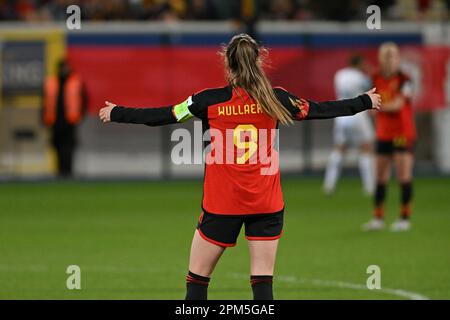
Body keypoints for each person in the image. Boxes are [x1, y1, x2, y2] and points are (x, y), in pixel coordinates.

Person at [99, 34, 381, 300]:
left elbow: (163, 116)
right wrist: (364, 101)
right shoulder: (275, 99)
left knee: (197, 280)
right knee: (262, 284)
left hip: (223, 204)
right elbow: (322, 109)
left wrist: (117, 113)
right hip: (266, 204)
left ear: (227, 63)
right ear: (259, 61)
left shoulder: (206, 101)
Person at [362, 42, 416, 232]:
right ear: (381, 59)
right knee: (380, 176)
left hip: (402, 132)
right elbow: (371, 103)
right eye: (386, 56)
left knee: (403, 175)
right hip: (383, 133)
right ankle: (378, 218)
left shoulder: (405, 79)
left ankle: (404, 217)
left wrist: (377, 107)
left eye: (393, 56)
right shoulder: (375, 78)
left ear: (398, 59)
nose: (390, 59)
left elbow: (398, 105)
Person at [323, 54, 375, 195]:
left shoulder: (339, 75)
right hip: (358, 115)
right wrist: (368, 70)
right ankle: (369, 187)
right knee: (366, 149)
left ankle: (329, 185)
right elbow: (372, 84)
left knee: (339, 149)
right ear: (360, 63)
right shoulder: (360, 76)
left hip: (341, 115)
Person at [43, 59, 86, 177]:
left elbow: (84, 100)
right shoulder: (51, 82)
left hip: (70, 122)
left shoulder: (76, 81)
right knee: (57, 147)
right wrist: (44, 118)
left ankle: (68, 172)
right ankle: (60, 172)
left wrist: (80, 116)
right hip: (55, 121)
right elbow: (45, 102)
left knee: (68, 148)